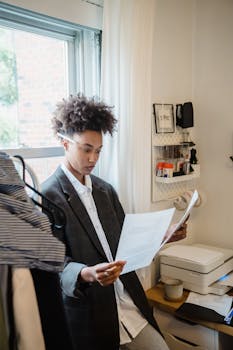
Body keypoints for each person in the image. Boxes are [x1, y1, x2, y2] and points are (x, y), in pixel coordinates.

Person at [42, 94, 187, 350]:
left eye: (98, 151)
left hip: (129, 303)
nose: (93, 159)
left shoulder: (105, 190)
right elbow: (51, 267)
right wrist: (85, 273)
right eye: (86, 149)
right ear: (64, 143)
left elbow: (127, 242)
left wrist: (162, 236)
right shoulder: (46, 197)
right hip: (92, 315)